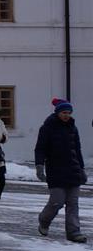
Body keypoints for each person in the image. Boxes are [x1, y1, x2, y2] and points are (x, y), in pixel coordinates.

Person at [35, 99, 86, 242]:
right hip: (56, 170)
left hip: (73, 170)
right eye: (64, 112)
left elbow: (77, 149)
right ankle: (44, 220)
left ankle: (74, 232)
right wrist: (39, 166)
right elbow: (40, 149)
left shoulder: (72, 128)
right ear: (57, 112)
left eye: (69, 113)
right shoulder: (47, 128)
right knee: (57, 201)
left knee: (73, 203)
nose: (66, 115)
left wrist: (81, 169)